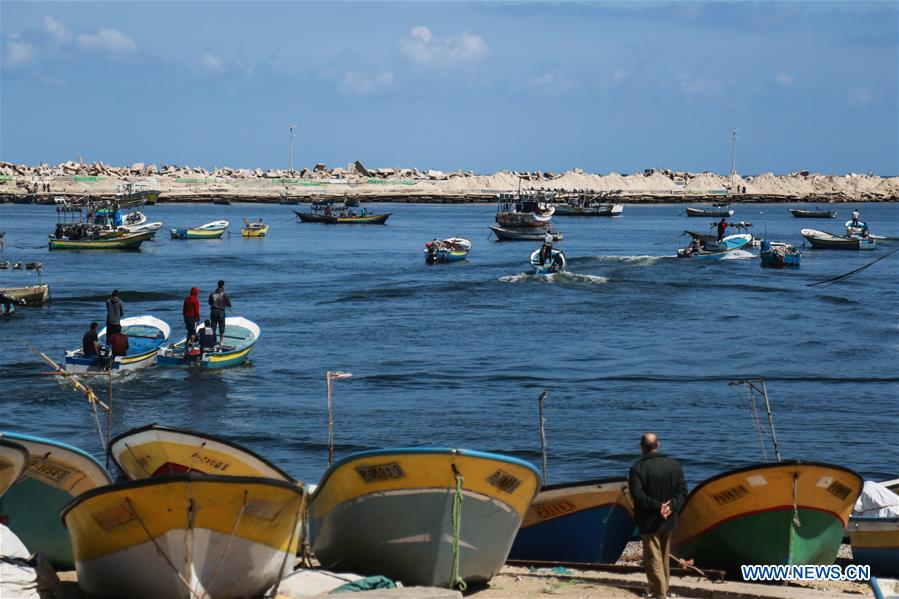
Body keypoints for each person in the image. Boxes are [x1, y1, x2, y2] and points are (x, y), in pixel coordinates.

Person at [628, 433, 688, 599]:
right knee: (664, 557)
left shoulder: (638, 468)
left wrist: (658, 506)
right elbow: (682, 492)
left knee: (653, 558)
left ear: (642, 448)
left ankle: (659, 593)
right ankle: (664, 589)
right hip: (668, 518)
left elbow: (637, 495)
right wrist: (670, 506)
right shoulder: (674, 465)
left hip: (649, 520)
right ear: (658, 445)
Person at [208, 280, 231, 346]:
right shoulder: (224, 294)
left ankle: (212, 340)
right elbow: (229, 304)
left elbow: (210, 303)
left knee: (213, 326)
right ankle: (221, 341)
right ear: (223, 285)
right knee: (221, 326)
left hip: (213, 312)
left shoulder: (212, 293)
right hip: (220, 312)